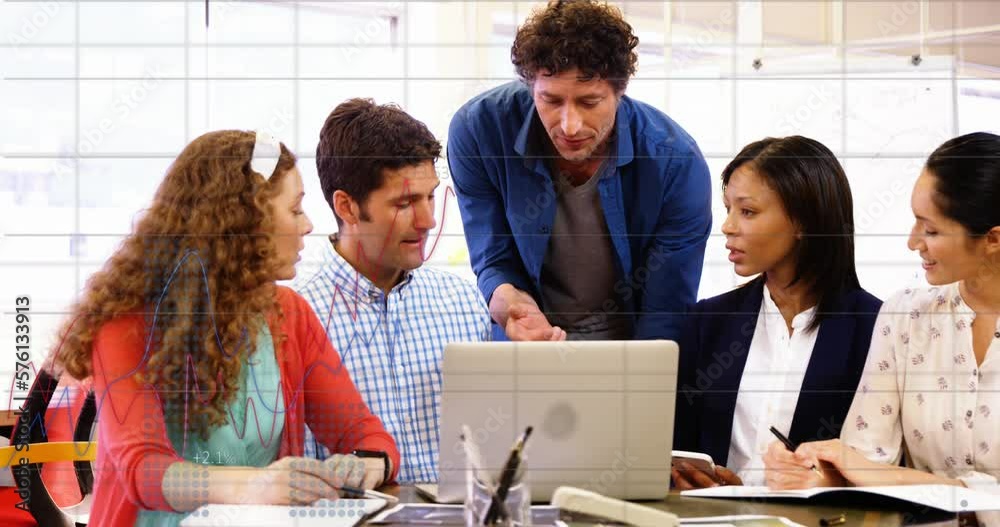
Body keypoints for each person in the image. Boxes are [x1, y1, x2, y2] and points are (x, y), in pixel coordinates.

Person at [42, 130, 400, 526]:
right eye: (295, 210)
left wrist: (368, 465)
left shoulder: (290, 313)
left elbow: (362, 432)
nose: (309, 225)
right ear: (244, 221)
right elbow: (143, 469)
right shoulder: (127, 322)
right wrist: (255, 485)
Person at [447, 0, 712, 342]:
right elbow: (493, 256)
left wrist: (642, 387)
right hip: (524, 342)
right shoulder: (480, 131)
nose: (569, 126)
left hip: (627, 346)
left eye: (589, 102)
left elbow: (664, 313)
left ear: (620, 91)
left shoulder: (676, 164)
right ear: (531, 87)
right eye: (551, 101)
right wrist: (506, 298)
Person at [763, 132, 1000, 500]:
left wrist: (932, 487)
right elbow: (867, 458)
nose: (913, 241)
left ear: (993, 239)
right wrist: (819, 475)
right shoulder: (907, 314)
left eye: (931, 229)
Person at [298, 98, 490, 483]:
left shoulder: (468, 304)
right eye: (405, 203)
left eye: (431, 196)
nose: (428, 220)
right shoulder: (298, 317)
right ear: (347, 207)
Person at [672, 136, 882, 489]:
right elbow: (680, 447)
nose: (727, 226)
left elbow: (877, 467)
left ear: (803, 221)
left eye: (747, 211)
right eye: (728, 209)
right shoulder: (707, 323)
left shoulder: (877, 329)